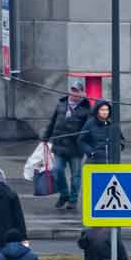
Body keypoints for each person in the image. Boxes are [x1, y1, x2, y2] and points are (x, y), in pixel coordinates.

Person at [42, 82, 91, 210]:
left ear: (82, 93)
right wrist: (45, 136)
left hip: (76, 148)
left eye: (77, 91)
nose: (74, 93)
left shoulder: (86, 109)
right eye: (72, 90)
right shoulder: (61, 104)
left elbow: (89, 129)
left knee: (76, 176)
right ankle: (64, 194)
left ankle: (73, 200)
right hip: (60, 146)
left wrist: (85, 141)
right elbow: (52, 122)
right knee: (57, 170)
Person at [81, 99, 125, 166]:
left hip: (111, 162)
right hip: (94, 162)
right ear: (97, 111)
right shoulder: (90, 124)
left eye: (106, 110)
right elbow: (81, 140)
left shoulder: (113, 124)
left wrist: (119, 146)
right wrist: (91, 152)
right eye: (102, 110)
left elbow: (121, 139)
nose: (105, 112)